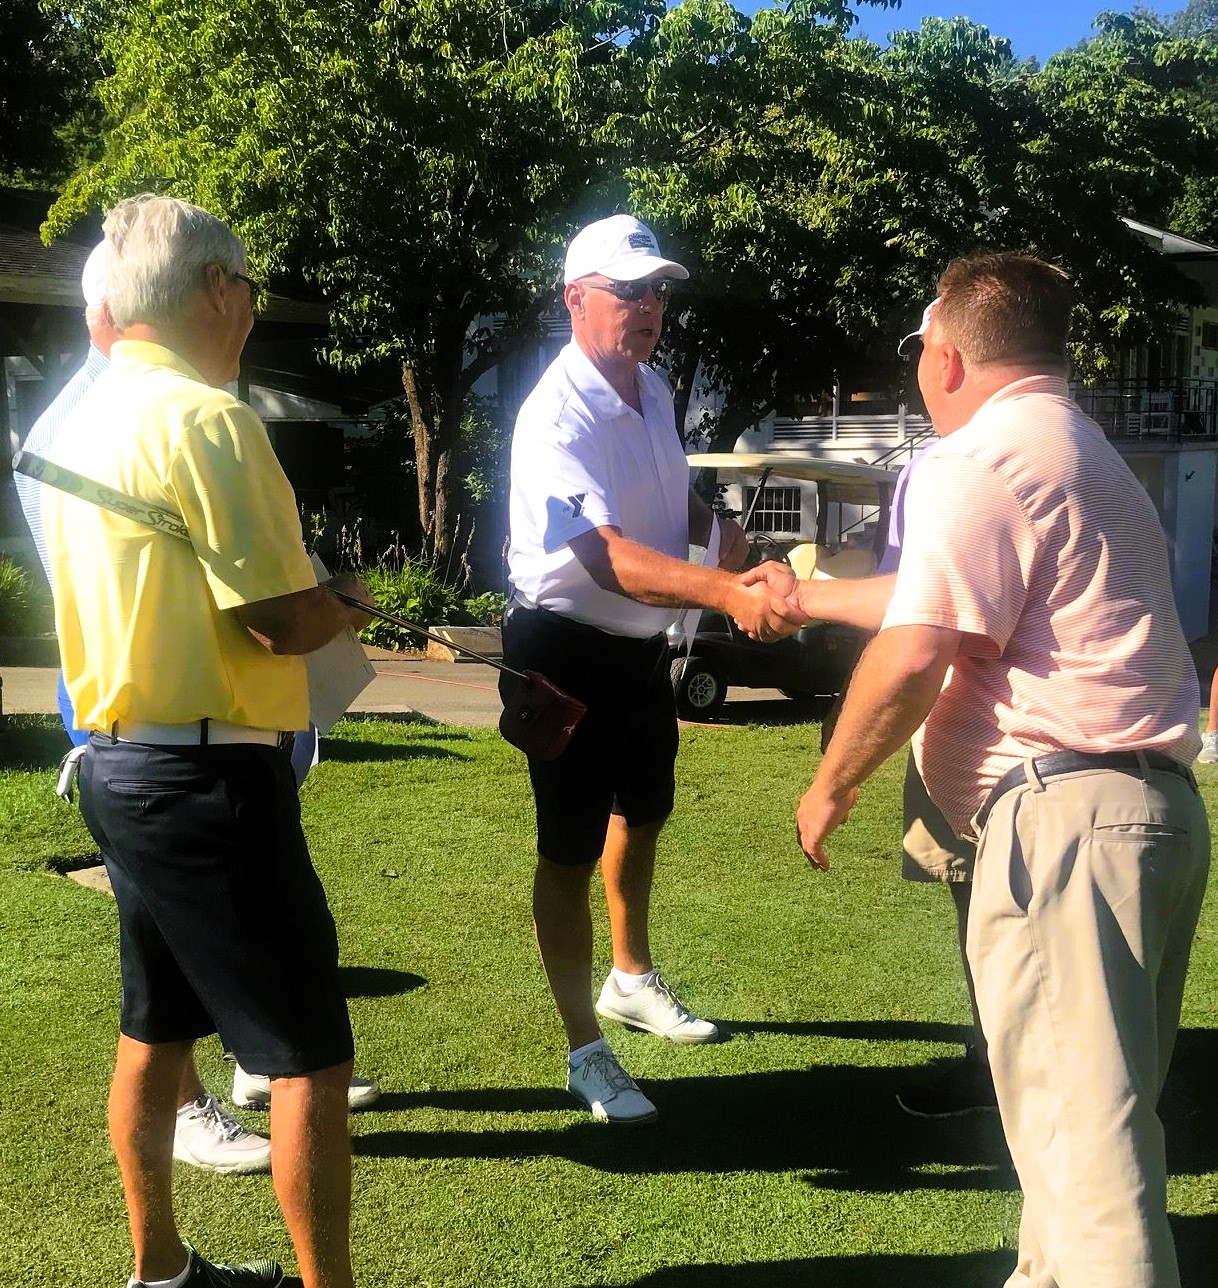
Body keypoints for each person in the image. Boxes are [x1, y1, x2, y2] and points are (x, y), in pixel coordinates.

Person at [787, 252, 1209, 1287]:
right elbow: (943, 596)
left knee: (1096, 1173)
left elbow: (919, 643)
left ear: (946, 354)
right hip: (1146, 812)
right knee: (1078, 1137)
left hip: (1064, 829)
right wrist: (798, 598)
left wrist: (831, 781)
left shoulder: (974, 461)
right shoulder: (1083, 451)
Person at [41, 194, 375, 1288]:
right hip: (210, 772)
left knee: (156, 1025)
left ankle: (159, 1270)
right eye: (249, 290)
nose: (250, 310)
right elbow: (278, 617)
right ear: (218, 293)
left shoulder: (76, 422)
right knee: (309, 1057)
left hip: (120, 762)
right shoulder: (206, 417)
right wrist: (344, 602)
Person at [503, 213, 808, 1125]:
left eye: (656, 291)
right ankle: (583, 1052)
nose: (648, 307)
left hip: (640, 647)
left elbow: (670, 500)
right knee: (566, 851)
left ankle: (628, 976)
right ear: (574, 298)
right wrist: (724, 590)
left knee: (645, 811)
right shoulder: (552, 415)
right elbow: (601, 557)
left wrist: (731, 544)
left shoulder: (655, 387)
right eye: (627, 290)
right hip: (563, 650)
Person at [14, 242, 274, 1176]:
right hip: (140, 713)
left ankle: (248, 1058)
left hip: (182, 714)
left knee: (199, 924)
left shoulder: (153, 405)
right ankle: (197, 1100)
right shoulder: (102, 422)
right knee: (158, 935)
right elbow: (104, 594)